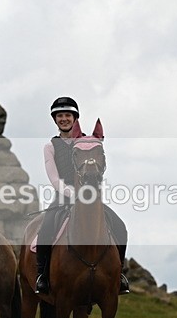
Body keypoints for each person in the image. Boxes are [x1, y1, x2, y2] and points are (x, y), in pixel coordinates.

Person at [35, 96, 130, 295]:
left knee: (120, 227)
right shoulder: (50, 147)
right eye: (59, 115)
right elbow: (54, 178)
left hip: (91, 198)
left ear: (75, 118)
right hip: (63, 196)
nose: (64, 119)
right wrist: (73, 193)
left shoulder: (88, 142)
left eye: (68, 115)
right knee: (45, 230)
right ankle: (42, 276)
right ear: (55, 119)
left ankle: (119, 274)